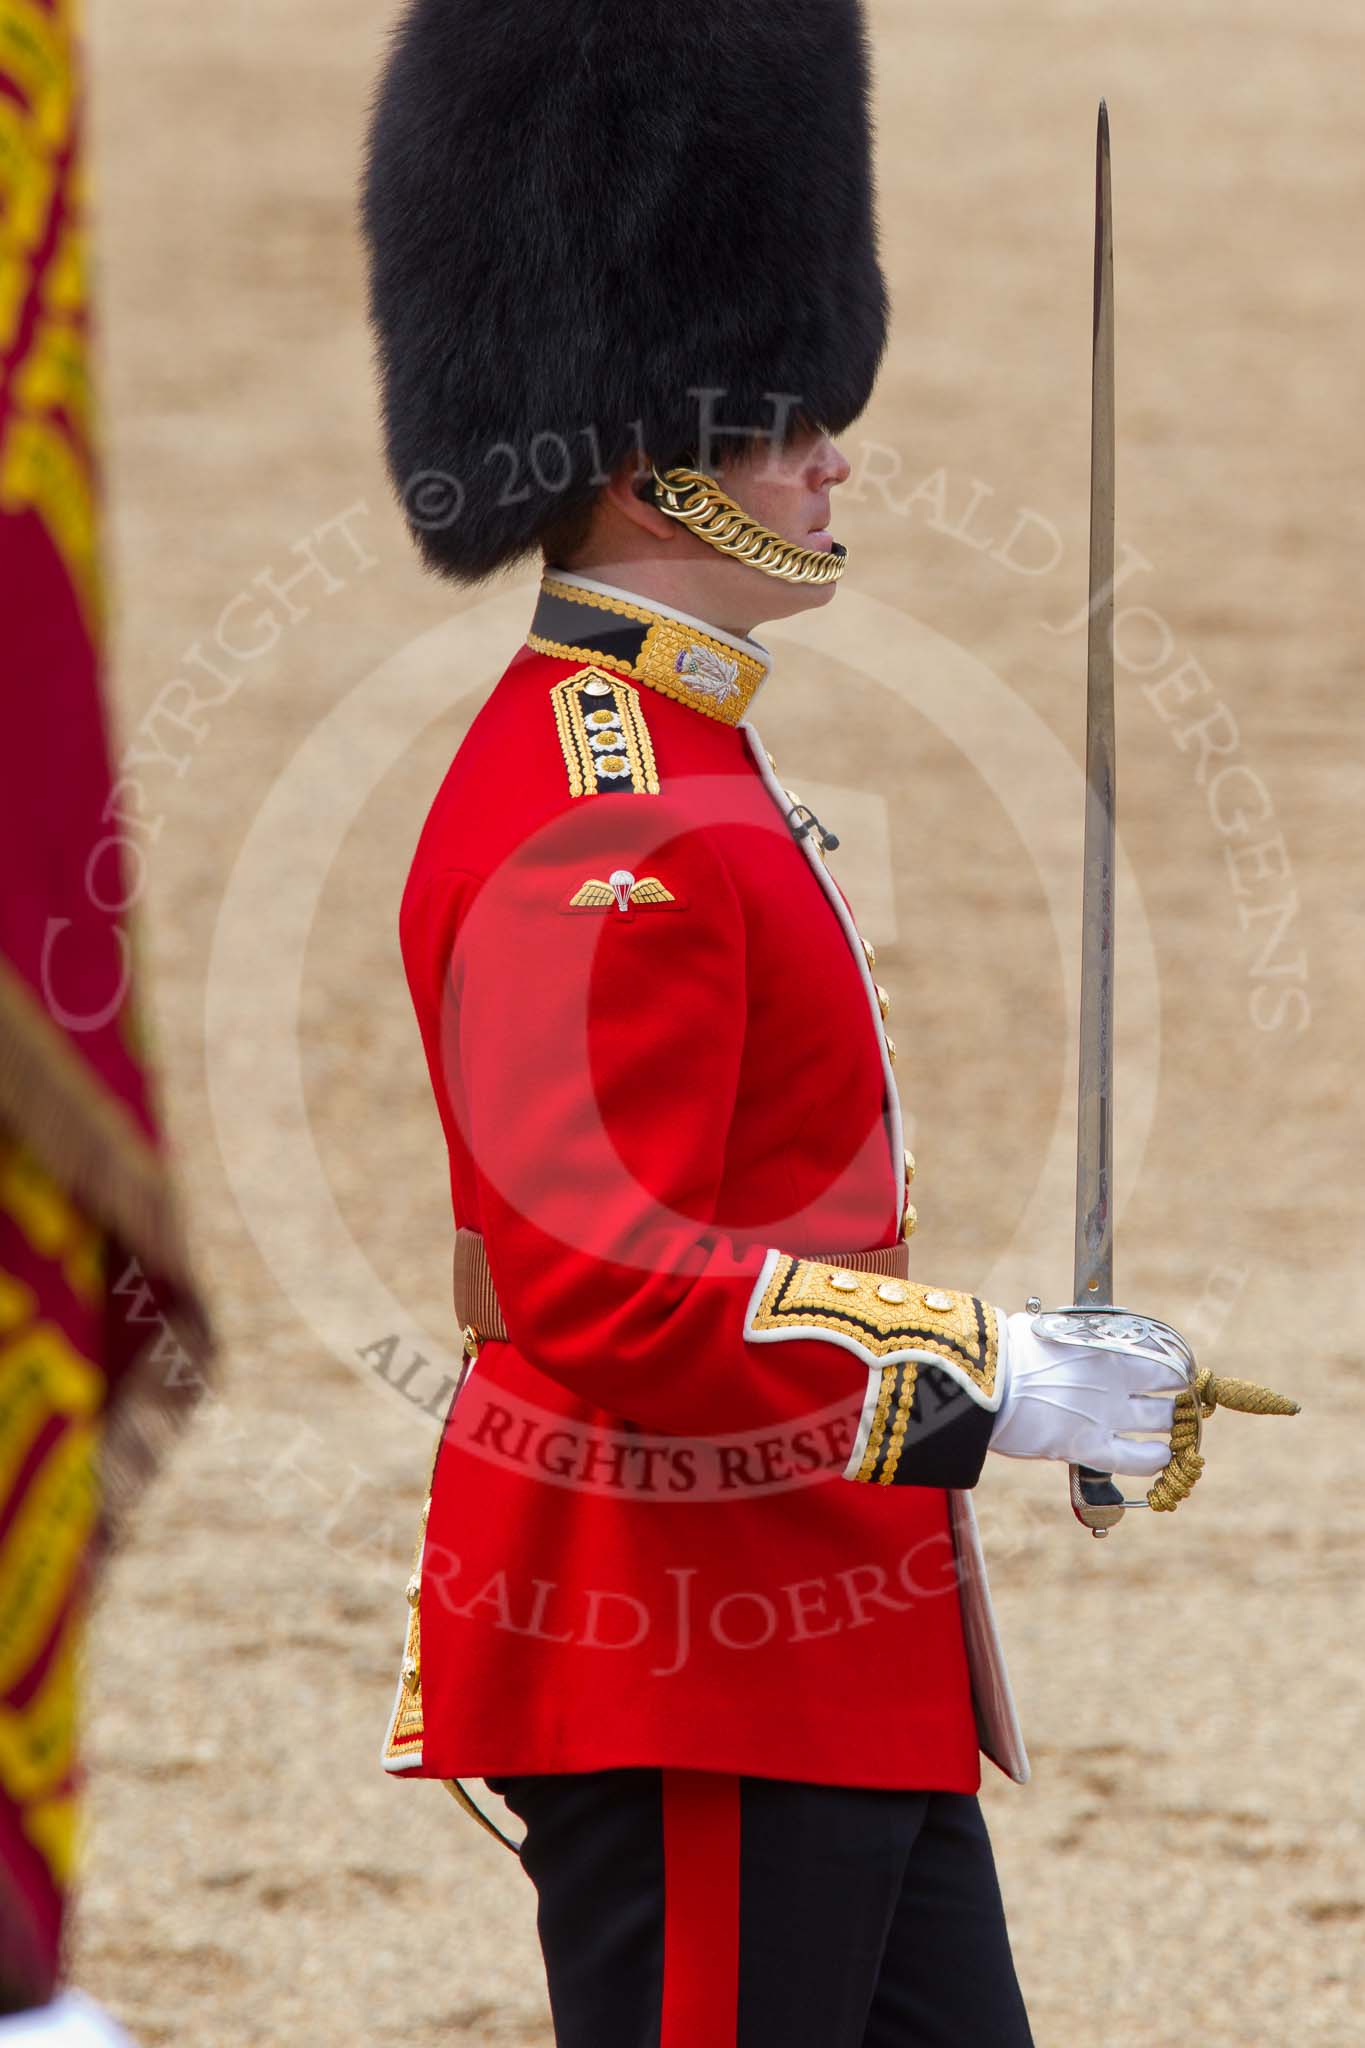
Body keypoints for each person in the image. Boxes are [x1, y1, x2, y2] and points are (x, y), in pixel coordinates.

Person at [360, 4, 1191, 2041]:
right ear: (650, 460)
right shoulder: (599, 811)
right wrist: (1000, 1375)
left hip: (803, 1645)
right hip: (688, 1657)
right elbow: (608, 1288)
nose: (829, 455)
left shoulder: (674, 762)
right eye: (779, 419)